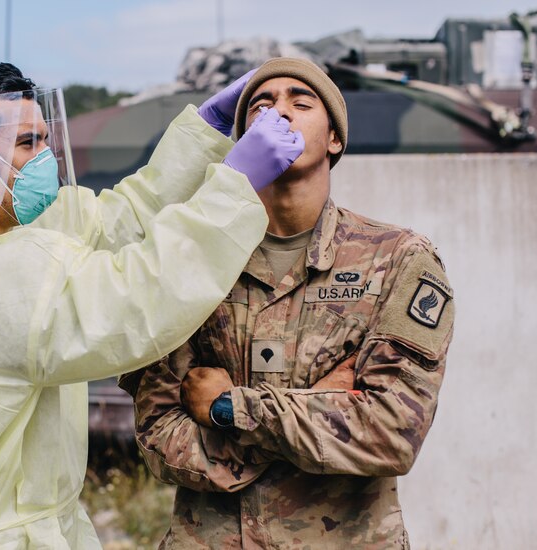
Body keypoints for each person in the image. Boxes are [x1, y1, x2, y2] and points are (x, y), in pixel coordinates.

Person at [0, 61, 306, 548]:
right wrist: (235, 186)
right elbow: (136, 302)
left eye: (45, 140)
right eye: (27, 143)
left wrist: (206, 132)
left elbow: (123, 219)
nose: (45, 159)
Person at [123, 57, 455, 549]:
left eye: (301, 102)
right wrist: (318, 406)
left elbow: (391, 433)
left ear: (335, 138)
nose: (280, 112)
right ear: (244, 142)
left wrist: (228, 408)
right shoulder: (197, 257)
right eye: (261, 105)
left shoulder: (397, 259)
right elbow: (158, 435)